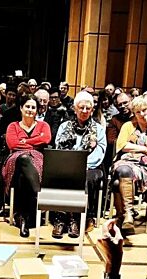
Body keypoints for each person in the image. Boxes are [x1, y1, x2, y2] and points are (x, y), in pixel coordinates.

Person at [53, 91, 106, 238]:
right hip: (67, 164)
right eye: (81, 108)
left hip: (91, 166)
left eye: (87, 108)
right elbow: (59, 147)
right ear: (75, 109)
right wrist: (72, 164)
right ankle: (61, 219)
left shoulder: (99, 129)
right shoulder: (64, 127)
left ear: (92, 110)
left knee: (85, 178)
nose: (84, 111)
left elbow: (100, 152)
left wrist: (82, 164)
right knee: (63, 176)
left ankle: (74, 219)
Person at [112, 96, 147, 236]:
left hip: (144, 167)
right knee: (123, 169)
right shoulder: (128, 126)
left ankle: (121, 216)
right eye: (138, 112)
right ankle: (129, 214)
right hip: (125, 161)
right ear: (134, 113)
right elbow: (122, 145)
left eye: (145, 110)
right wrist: (145, 150)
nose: (142, 114)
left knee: (117, 182)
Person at [0, 94, 51, 237]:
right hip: (15, 159)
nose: (30, 109)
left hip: (38, 158)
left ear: (37, 110)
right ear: (21, 108)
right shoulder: (13, 126)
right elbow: (12, 144)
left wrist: (24, 141)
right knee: (23, 158)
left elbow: (46, 138)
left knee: (24, 176)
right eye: (27, 106)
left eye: (33, 107)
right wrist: (35, 141)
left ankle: (23, 217)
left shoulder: (43, 125)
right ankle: (38, 194)